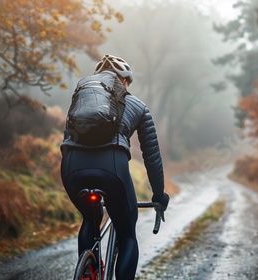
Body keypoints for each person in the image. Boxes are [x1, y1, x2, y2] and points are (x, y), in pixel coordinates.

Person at [60, 54, 169, 279]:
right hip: (112, 168)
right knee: (127, 232)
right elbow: (152, 157)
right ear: (125, 81)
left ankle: (88, 272)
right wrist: (159, 194)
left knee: (90, 218)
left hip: (72, 167)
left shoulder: (80, 100)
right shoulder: (138, 105)